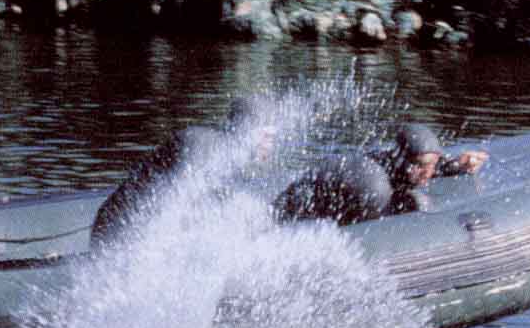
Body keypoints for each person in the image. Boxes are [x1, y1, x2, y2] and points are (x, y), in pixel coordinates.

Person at [89, 97, 263, 247]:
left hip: (114, 221)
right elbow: (171, 209)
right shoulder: (206, 149)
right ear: (248, 129)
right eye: (266, 133)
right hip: (120, 231)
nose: (268, 143)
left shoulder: (215, 147)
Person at [274, 122, 488, 226]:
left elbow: (424, 165)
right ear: (403, 161)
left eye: (432, 165)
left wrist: (456, 165)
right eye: (421, 166)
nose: (427, 173)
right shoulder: (375, 188)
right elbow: (366, 234)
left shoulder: (396, 162)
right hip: (293, 211)